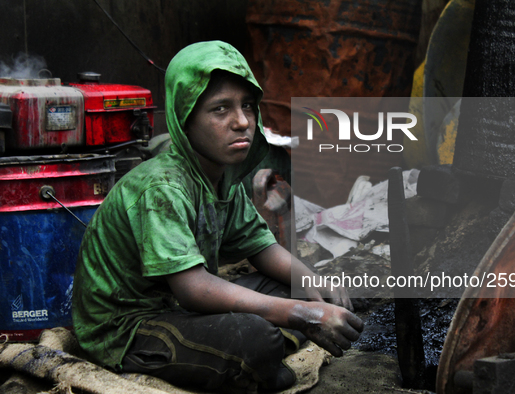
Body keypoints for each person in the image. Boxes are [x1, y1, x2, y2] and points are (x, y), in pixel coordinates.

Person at [72, 40, 363, 392]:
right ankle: (260, 363)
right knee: (256, 339)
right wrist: (303, 316)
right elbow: (193, 289)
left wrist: (316, 286)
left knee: (298, 291)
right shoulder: (161, 186)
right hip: (132, 324)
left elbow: (260, 247)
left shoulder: (223, 176)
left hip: (179, 307)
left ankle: (257, 364)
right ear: (185, 119)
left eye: (247, 107)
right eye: (220, 109)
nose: (242, 122)